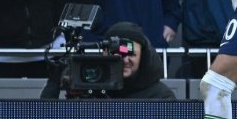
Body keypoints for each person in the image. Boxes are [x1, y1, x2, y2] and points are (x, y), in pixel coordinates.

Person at [40, 21, 177, 99]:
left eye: (131, 54)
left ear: (143, 56)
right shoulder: (89, 91)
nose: (125, 60)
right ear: (105, 53)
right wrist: (53, 83)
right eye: (118, 54)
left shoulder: (161, 96)